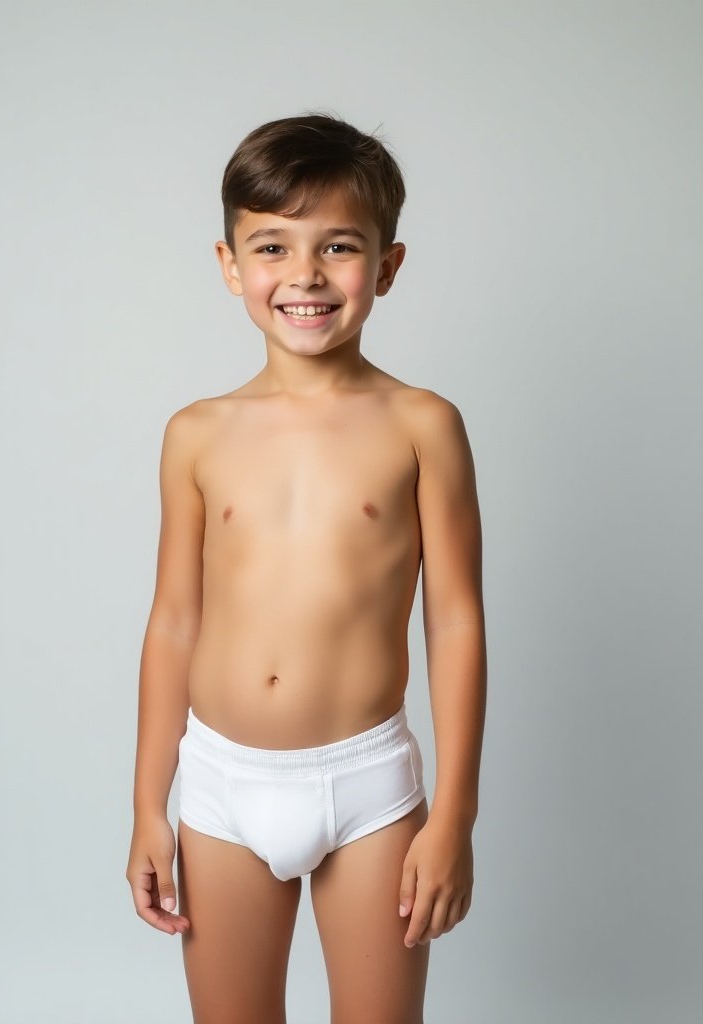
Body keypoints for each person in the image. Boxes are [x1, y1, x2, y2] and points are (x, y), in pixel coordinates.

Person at [126, 112, 487, 1024]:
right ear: (229, 265)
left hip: (366, 786)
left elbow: (455, 622)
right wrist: (147, 805)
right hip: (220, 788)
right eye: (273, 246)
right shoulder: (196, 434)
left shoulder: (422, 425)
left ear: (388, 266)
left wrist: (455, 818)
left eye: (337, 247)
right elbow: (173, 621)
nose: (305, 276)